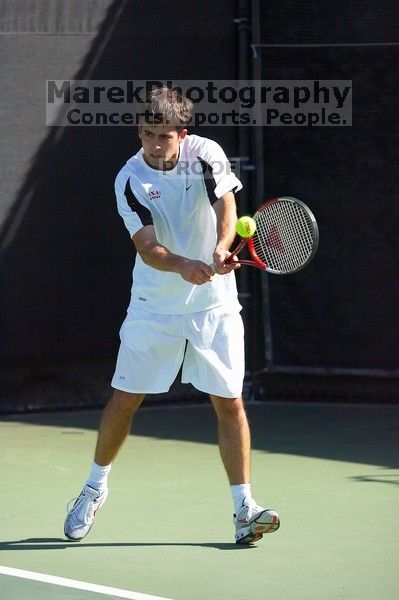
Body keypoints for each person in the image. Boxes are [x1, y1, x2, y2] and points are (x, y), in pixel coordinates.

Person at [64, 87, 280, 544]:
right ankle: (93, 486)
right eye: (147, 134)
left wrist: (221, 249)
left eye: (164, 136)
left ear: (183, 134)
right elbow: (146, 246)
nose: (155, 145)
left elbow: (226, 203)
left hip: (214, 305)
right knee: (125, 400)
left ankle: (244, 508)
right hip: (154, 306)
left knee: (230, 403)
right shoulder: (129, 178)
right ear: (138, 130)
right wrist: (183, 264)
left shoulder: (205, 154)